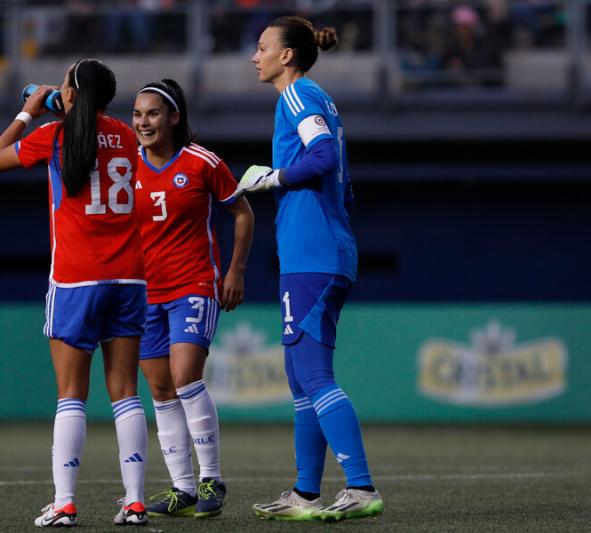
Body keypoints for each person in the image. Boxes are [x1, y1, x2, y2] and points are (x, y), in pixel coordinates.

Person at [0, 58, 150, 527]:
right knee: (125, 394)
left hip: (77, 278)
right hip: (129, 277)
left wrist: (29, 113)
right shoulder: (125, 134)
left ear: (71, 94)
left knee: (71, 396)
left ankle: (65, 503)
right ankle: (134, 502)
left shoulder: (55, 135)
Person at [238, 16, 384, 522]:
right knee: (300, 376)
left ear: (288, 56)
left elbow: (322, 157)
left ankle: (361, 487)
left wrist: (273, 177)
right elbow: (343, 184)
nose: (254, 57)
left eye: (262, 48)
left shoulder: (297, 95)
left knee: (314, 375)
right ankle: (305, 494)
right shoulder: (315, 98)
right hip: (319, 250)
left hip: (313, 256)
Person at [131, 79, 255, 518]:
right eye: (138, 114)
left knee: (185, 378)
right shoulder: (127, 165)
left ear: (174, 118)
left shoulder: (201, 162)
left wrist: (235, 271)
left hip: (193, 285)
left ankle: (211, 479)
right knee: (160, 390)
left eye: (153, 113)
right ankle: (181, 488)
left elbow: (243, 212)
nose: (143, 122)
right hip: (145, 294)